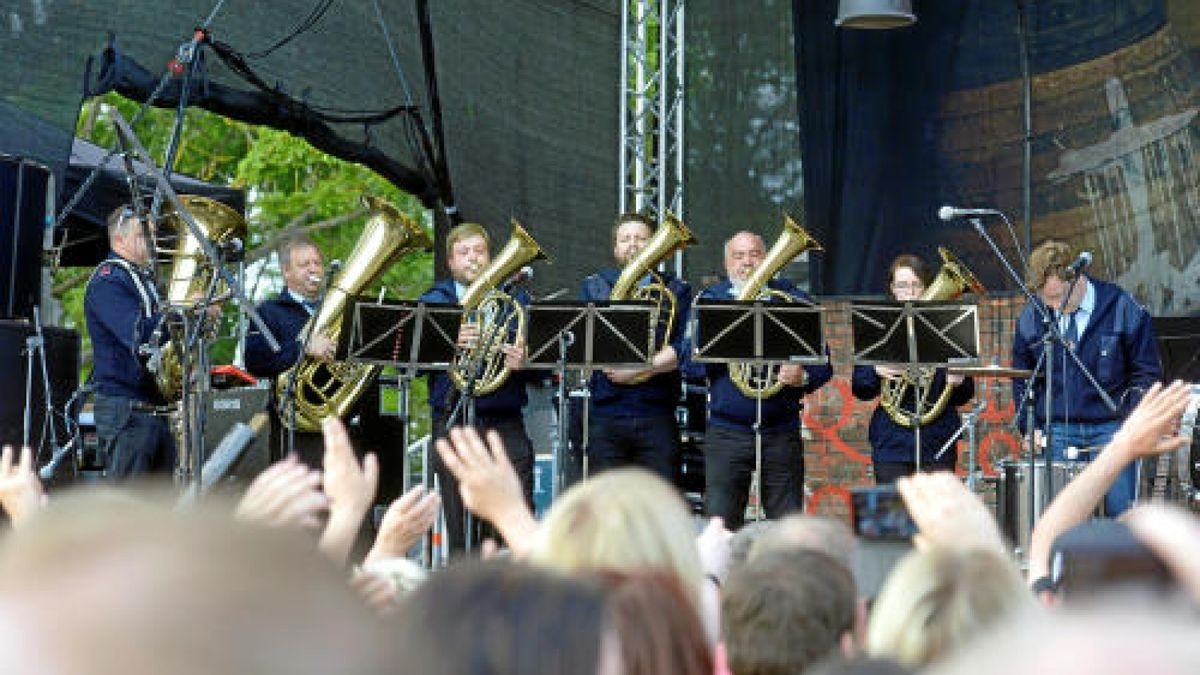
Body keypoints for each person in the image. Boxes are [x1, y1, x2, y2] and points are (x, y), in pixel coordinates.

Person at [692, 231, 833, 530]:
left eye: (754, 254)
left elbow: (825, 364)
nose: (747, 263)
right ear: (726, 262)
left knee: (787, 527)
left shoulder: (794, 300)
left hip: (780, 431)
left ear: (767, 258)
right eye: (738, 256)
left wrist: (802, 374)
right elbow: (688, 366)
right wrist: (718, 344)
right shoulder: (710, 300)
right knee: (720, 525)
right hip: (727, 432)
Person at [1012, 240, 1163, 516]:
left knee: (1120, 515)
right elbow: (1022, 376)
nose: (1056, 306)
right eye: (1049, 301)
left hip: (1112, 429)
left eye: (1060, 297)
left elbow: (1147, 371)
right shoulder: (1034, 314)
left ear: (1077, 277)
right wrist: (1028, 425)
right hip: (1055, 430)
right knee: (1061, 518)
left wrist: (1133, 419)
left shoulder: (1121, 305)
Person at [420, 222, 536, 553]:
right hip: (453, 419)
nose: (472, 258)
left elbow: (544, 368)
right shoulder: (434, 301)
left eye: (479, 251)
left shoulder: (516, 299)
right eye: (463, 252)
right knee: (459, 523)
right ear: (451, 262)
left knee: (515, 520)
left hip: (505, 421)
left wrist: (525, 363)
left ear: (490, 257)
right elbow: (409, 363)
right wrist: (447, 341)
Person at [579, 213, 693, 482]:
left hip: (656, 412)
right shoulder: (595, 285)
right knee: (607, 506)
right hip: (607, 414)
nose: (633, 245)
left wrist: (640, 368)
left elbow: (685, 346)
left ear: (655, 245)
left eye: (641, 239)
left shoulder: (676, 289)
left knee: (660, 504)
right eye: (625, 239)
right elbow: (588, 339)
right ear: (616, 248)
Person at [852, 254, 975, 483]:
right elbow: (860, 387)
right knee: (893, 515)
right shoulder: (878, 326)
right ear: (892, 289)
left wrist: (958, 382)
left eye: (915, 285)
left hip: (937, 439)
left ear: (925, 287)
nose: (909, 291)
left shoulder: (950, 327)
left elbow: (965, 393)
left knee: (936, 517)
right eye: (902, 285)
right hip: (892, 442)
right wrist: (875, 370)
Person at [84, 206, 176, 479]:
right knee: (127, 509)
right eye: (142, 234)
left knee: (158, 510)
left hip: (154, 412)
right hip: (126, 413)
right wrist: (181, 312)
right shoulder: (108, 281)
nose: (152, 241)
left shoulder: (143, 281)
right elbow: (140, 337)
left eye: (154, 235)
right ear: (118, 239)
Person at [244, 235, 339, 469]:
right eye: (304, 264)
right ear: (287, 272)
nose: (313, 269)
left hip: (336, 424)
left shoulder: (336, 310)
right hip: (293, 428)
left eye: (317, 263)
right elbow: (254, 361)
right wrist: (302, 348)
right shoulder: (269, 311)